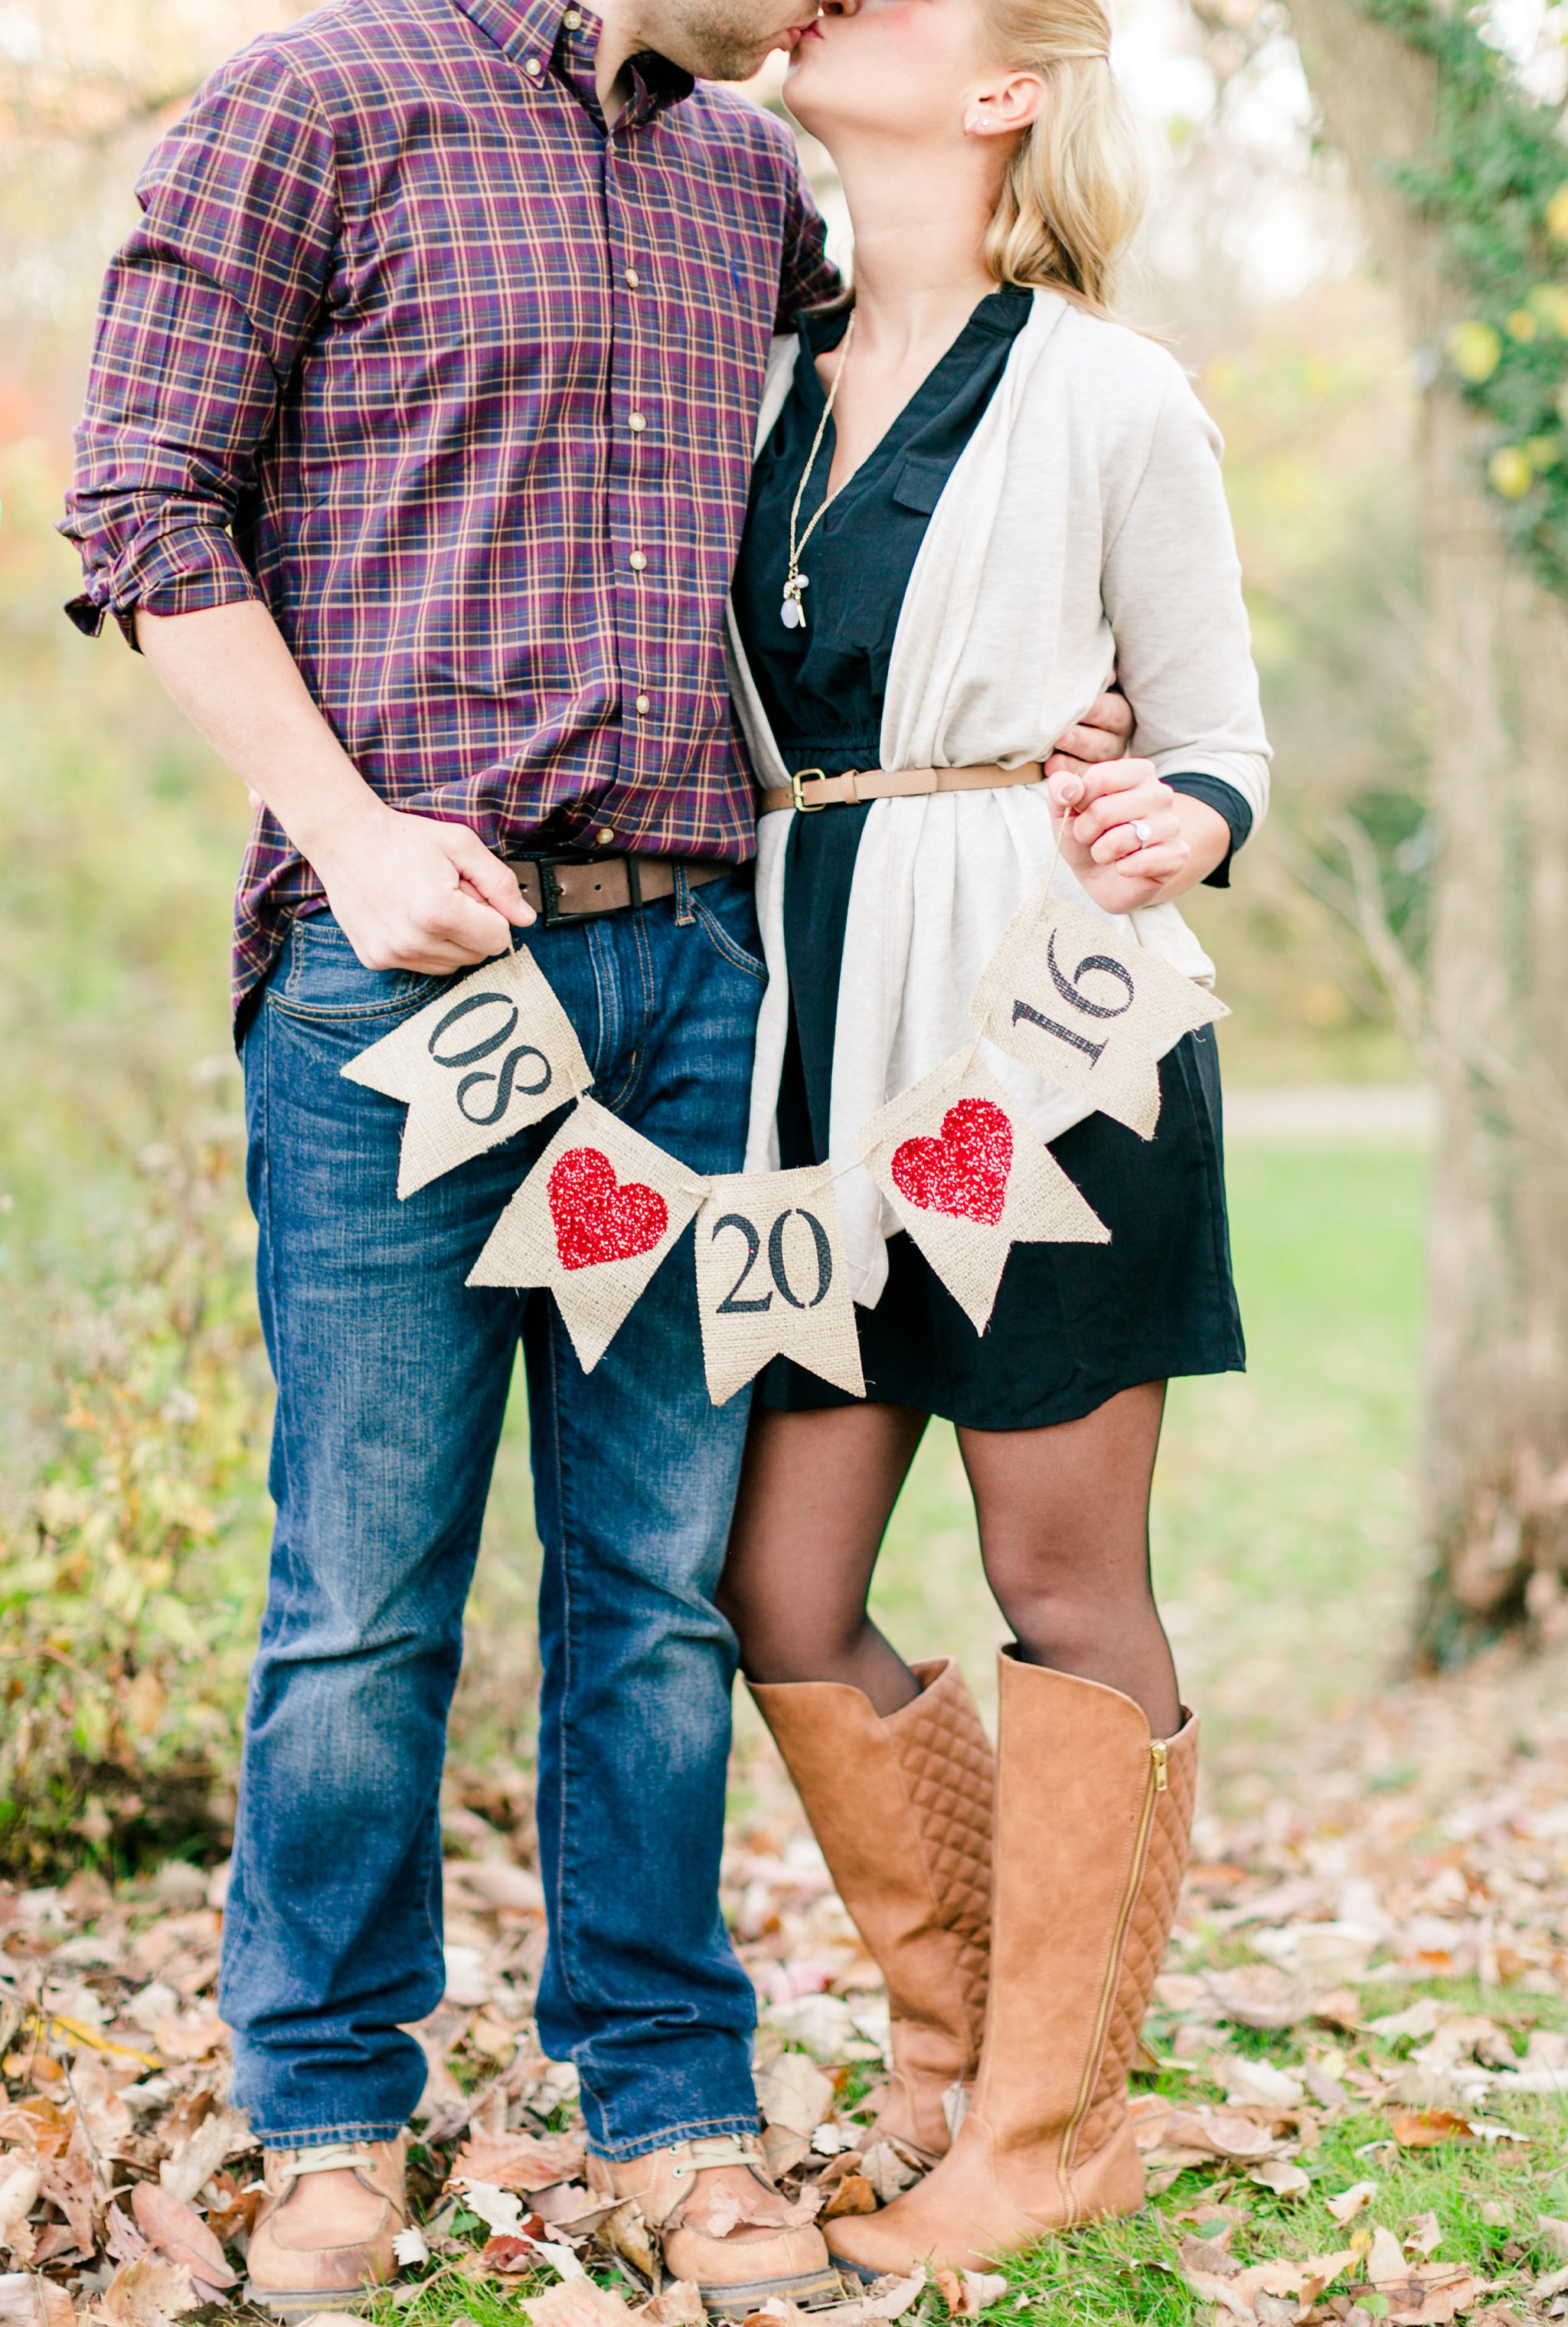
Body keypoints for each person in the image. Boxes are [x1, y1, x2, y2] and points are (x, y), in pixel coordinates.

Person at [60, 0, 1134, 2309]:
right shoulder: (323, 101)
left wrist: (1070, 692)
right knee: (361, 1594)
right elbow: (140, 497)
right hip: (401, 986)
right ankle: (331, 2109)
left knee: (653, 1595)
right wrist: (345, 840)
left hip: (699, 991)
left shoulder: (753, 191)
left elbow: (872, 522)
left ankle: (671, 2103)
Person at [714, 0, 1269, 2276]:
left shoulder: (1116, 392)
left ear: (1008, 88)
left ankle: (1048, 2130)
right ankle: (958, 2041)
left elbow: (1225, 737)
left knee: (1058, 1583)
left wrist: (1182, 803)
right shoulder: (748, 364)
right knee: (779, 1586)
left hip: (1058, 1028)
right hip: (813, 1035)